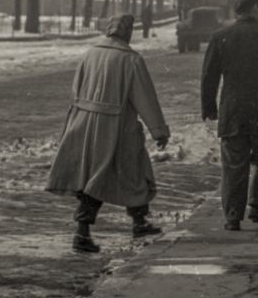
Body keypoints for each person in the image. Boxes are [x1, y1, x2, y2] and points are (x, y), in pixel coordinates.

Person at [46, 13, 170, 253]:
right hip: (118, 127)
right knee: (134, 172)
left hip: (84, 124)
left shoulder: (89, 54)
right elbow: (145, 98)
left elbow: (76, 92)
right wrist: (158, 131)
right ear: (126, 32)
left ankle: (114, 225)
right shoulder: (130, 59)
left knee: (91, 176)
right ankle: (129, 223)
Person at [201, 0, 258, 230]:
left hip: (233, 110)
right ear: (256, 8)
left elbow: (209, 76)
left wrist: (209, 106)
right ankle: (257, 205)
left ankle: (232, 216)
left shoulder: (221, 36)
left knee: (233, 164)